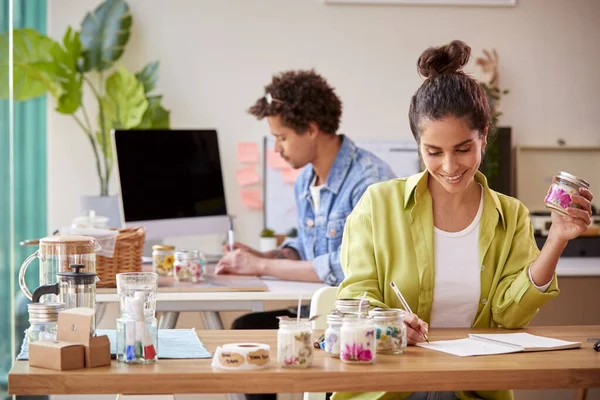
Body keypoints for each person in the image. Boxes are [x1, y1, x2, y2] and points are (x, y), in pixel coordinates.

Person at [334, 40, 594, 400]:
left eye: (462, 149)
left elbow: (510, 316)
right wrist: (388, 323)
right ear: (417, 145)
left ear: (484, 137)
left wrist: (557, 239)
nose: (450, 167)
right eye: (433, 152)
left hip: (472, 389)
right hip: (388, 387)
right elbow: (355, 299)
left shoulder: (510, 215)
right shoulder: (378, 205)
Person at [215, 69, 395, 325]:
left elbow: (352, 264)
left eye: (282, 138)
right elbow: (305, 247)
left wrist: (261, 267)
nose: (277, 148)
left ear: (311, 129)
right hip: (318, 310)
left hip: (356, 320)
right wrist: (261, 257)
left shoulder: (370, 180)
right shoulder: (304, 181)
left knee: (248, 327)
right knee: (246, 325)